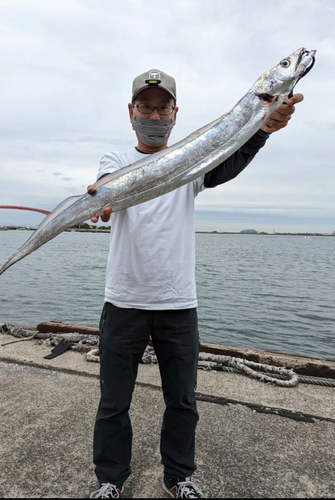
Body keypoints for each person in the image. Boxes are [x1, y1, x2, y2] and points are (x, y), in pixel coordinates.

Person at [88, 69, 303, 499]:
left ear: (174, 113)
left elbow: (231, 161)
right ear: (131, 112)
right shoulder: (114, 162)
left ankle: (179, 477)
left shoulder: (193, 164)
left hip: (178, 303)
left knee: (183, 401)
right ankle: (110, 480)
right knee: (114, 403)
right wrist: (100, 201)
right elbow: (105, 195)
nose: (154, 114)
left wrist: (262, 130)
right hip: (124, 300)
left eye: (162, 107)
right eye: (145, 107)